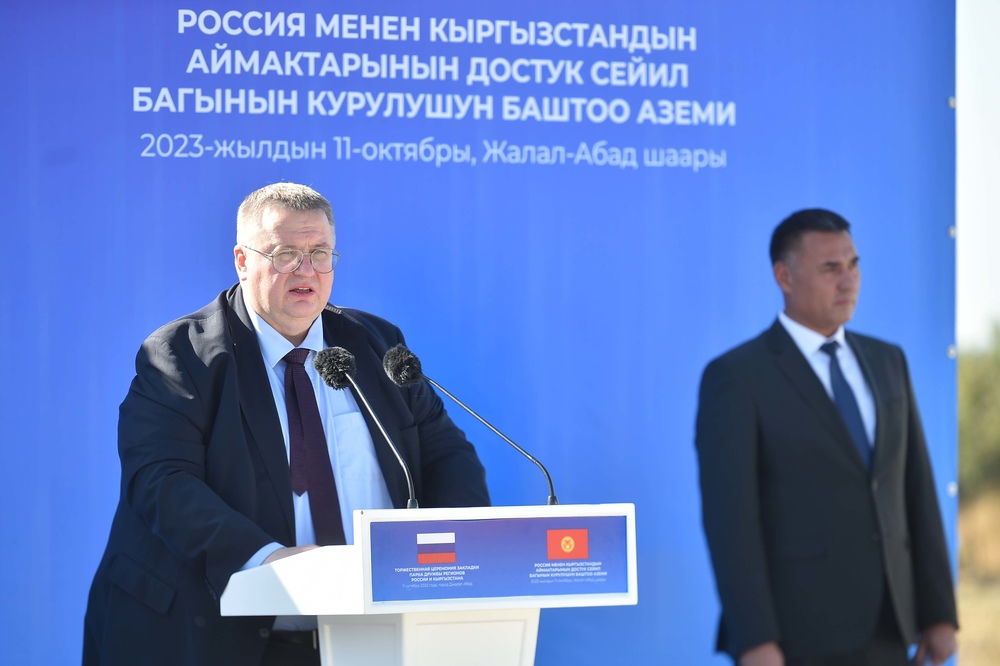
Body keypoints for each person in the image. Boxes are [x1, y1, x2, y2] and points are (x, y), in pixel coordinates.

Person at [83, 182, 490, 666]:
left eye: (320, 253)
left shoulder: (375, 342)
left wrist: (451, 551)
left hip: (375, 636)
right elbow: (162, 481)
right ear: (242, 261)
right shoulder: (181, 355)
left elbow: (446, 455)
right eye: (286, 254)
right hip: (218, 636)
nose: (307, 270)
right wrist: (269, 559)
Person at [695, 209, 958, 666]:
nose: (848, 280)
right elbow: (731, 523)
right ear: (784, 277)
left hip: (892, 628)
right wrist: (755, 639)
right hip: (797, 638)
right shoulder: (738, 378)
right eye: (830, 268)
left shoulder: (888, 360)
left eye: (853, 265)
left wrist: (940, 613)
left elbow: (915, 488)